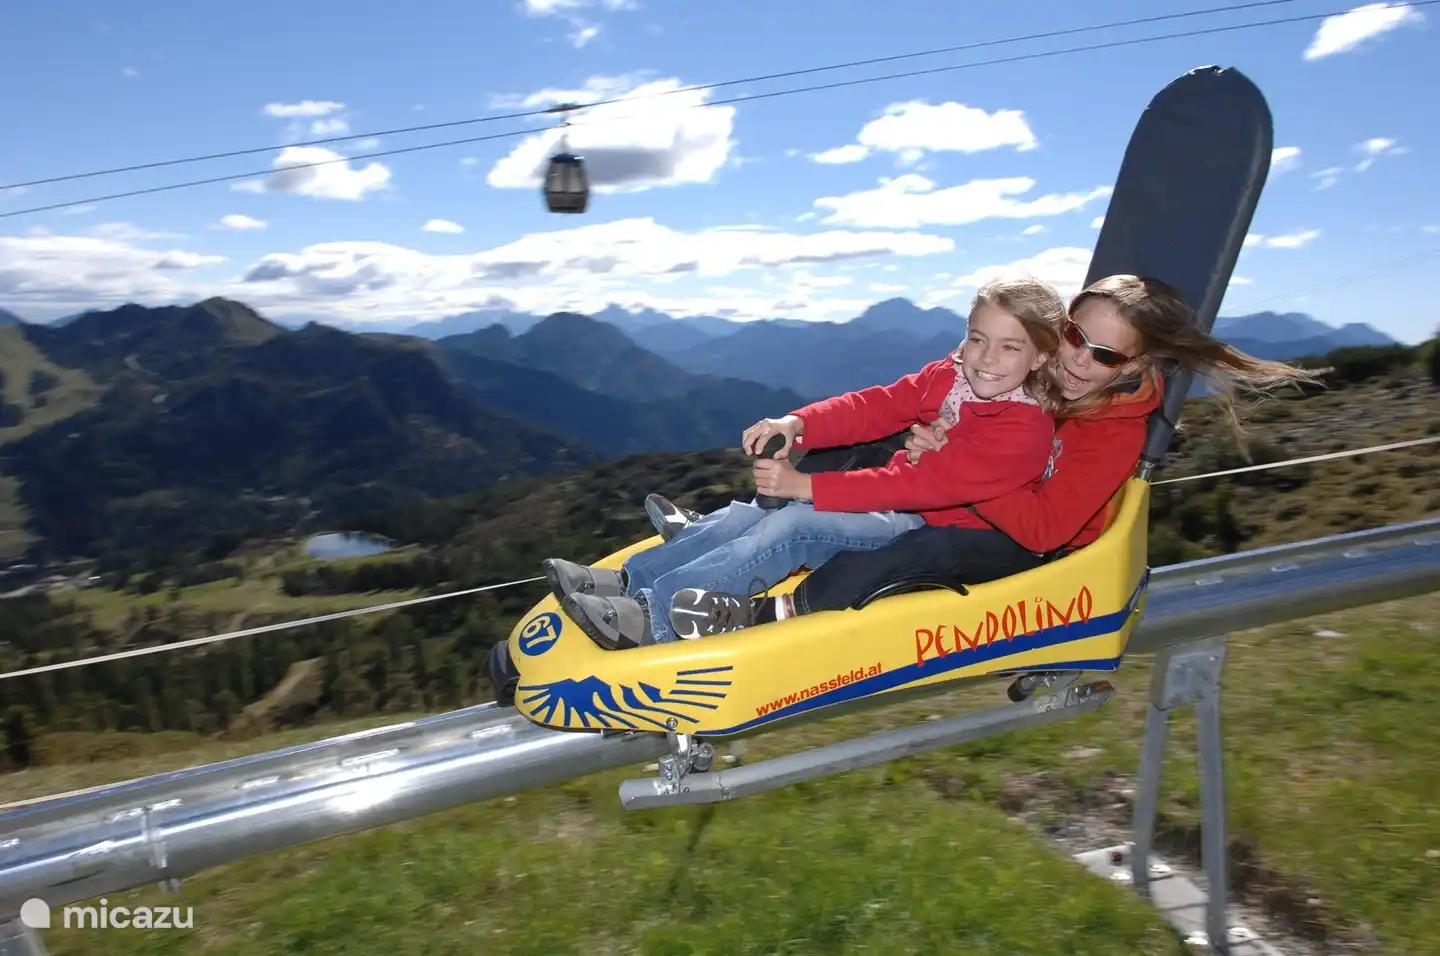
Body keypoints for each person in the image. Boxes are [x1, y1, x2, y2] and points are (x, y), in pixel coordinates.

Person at [643, 273, 1326, 632]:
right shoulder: (1017, 364)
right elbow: (893, 402)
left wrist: (963, 467)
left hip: (1025, 544)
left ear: (1136, 364)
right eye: (1074, 336)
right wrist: (804, 423)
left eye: (1106, 353)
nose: (1080, 358)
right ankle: (717, 537)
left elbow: (1044, 527)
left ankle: (771, 617)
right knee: (863, 473)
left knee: (913, 551)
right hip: (962, 494)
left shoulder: (1116, 430)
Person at [541, 276, 1068, 650]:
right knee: (756, 513)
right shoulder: (948, 375)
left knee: (792, 523)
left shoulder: (1022, 428)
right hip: (902, 504)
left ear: (1040, 358)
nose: (985, 358)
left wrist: (806, 487)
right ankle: (631, 582)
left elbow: (920, 486)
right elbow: (876, 405)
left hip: (924, 527)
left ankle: (656, 621)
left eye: (1008, 348)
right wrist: (798, 423)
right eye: (977, 339)